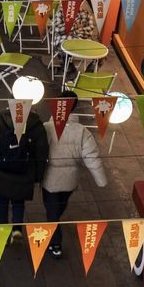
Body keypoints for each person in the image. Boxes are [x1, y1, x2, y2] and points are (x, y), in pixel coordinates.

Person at [42, 91, 108, 258]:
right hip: (71, 179)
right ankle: (53, 231)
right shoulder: (82, 132)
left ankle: (56, 245)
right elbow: (92, 157)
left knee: (52, 212)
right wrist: (101, 181)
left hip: (50, 178)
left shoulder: (47, 127)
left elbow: (38, 151)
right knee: (59, 207)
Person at [0, 103, 49, 240]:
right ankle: (17, 229)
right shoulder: (37, 126)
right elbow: (42, 153)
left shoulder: (1, 120)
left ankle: (3, 230)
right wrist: (38, 176)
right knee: (18, 202)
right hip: (24, 172)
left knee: (1, 204)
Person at [50, 0, 99, 76]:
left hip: (82, 41)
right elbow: (58, 29)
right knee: (64, 53)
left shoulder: (86, 14)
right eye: (73, 1)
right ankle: (72, 75)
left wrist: (71, 29)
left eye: (78, 1)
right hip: (64, 40)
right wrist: (76, 26)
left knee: (101, 56)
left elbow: (90, 30)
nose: (75, 4)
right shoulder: (61, 12)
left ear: (81, 2)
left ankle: (88, 75)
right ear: (69, 1)